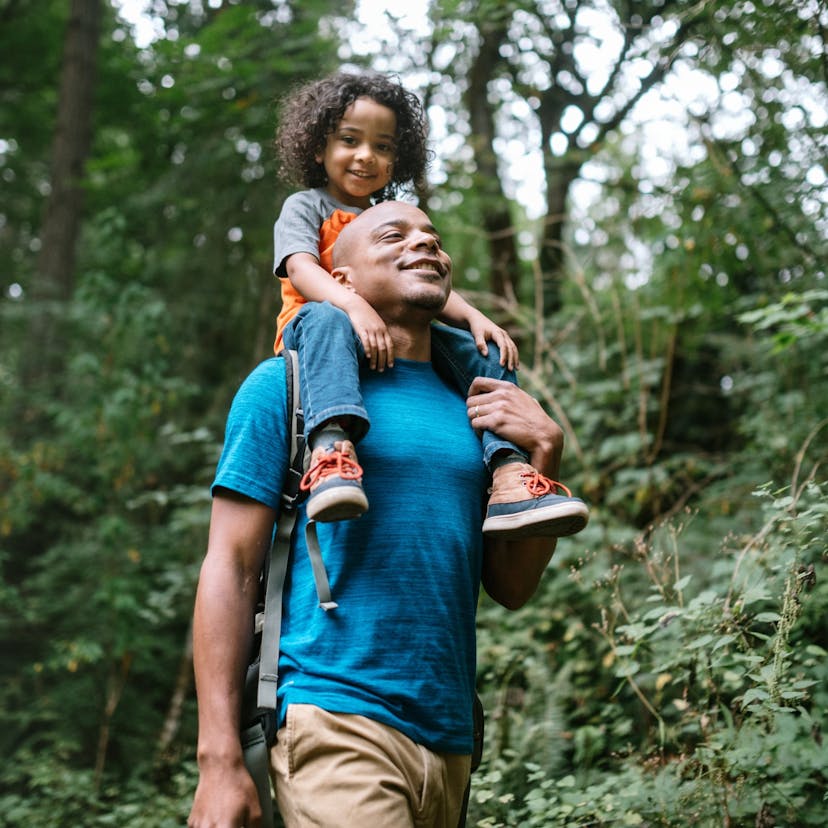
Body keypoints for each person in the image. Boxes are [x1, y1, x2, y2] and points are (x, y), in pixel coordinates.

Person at [188, 201, 584, 828]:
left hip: (452, 738)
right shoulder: (283, 387)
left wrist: (545, 451)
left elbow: (511, 587)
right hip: (331, 714)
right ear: (339, 281)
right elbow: (229, 567)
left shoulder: (480, 405)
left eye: (433, 236)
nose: (426, 243)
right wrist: (218, 758)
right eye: (394, 235)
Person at [271, 71, 588, 536]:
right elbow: (300, 269)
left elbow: (423, 283)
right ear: (318, 148)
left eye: (382, 147)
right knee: (324, 316)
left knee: (484, 351)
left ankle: (509, 473)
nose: (366, 156)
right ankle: (332, 449)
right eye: (350, 140)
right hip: (320, 334)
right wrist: (353, 306)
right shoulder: (307, 206)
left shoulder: (391, 214)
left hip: (391, 335)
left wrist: (475, 318)